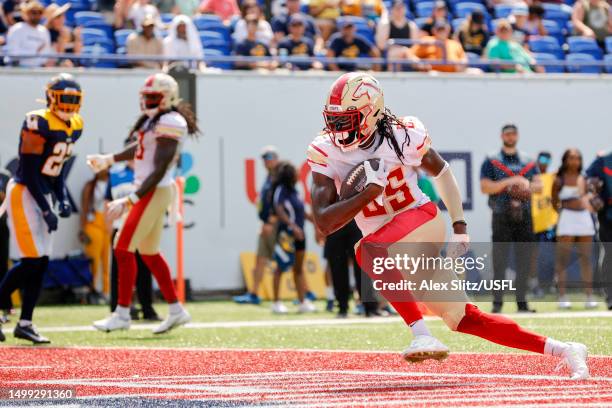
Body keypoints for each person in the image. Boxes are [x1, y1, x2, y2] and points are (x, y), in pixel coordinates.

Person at [308, 72, 589, 379]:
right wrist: (370, 193)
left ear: (371, 112)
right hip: (394, 246)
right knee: (465, 318)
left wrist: (459, 225)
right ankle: (564, 348)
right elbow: (324, 223)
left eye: (346, 120)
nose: (338, 130)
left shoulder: (402, 134)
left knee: (368, 249)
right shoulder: (326, 150)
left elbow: (442, 173)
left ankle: (421, 333)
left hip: (421, 220)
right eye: (334, 121)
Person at [88, 73, 198, 335]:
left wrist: (131, 198)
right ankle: (176, 310)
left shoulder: (171, 121)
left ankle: (123, 313)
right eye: (145, 96)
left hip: (154, 190)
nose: (147, 101)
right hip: (152, 190)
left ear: (167, 97)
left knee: (123, 248)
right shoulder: (156, 120)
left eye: (153, 97)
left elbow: (159, 168)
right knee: (148, 252)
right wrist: (109, 159)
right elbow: (140, 148)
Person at [0, 74, 83, 344]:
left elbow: (55, 170)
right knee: (33, 261)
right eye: (64, 98)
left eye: (74, 100)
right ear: (50, 97)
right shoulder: (38, 121)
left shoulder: (75, 125)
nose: (69, 105)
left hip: (43, 192)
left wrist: (61, 198)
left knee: (41, 262)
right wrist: (47, 209)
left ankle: (25, 323)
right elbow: (32, 171)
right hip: (25, 191)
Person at [480, 123, 541, 313]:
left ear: (517, 136)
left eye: (513, 134)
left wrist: (525, 186)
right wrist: (510, 182)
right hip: (501, 214)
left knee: (524, 259)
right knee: (500, 261)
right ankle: (497, 304)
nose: (511, 137)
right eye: (507, 134)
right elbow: (485, 187)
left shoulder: (529, 161)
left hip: (524, 215)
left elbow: (539, 186)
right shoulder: (491, 159)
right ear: (502, 136)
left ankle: (522, 303)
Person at [106, 140, 161, 321]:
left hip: (141, 227)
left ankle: (148, 309)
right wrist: (109, 228)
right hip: (120, 227)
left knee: (144, 269)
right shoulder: (115, 174)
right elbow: (108, 202)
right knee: (119, 271)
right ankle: (118, 309)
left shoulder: (148, 175)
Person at [233, 146, 279, 305]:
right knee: (260, 259)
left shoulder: (278, 177)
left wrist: (272, 220)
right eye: (265, 158)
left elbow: (280, 200)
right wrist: (265, 222)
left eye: (270, 157)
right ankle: (253, 293)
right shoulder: (269, 177)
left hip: (275, 226)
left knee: (285, 260)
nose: (267, 161)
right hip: (266, 224)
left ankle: (306, 292)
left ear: (276, 158)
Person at [552, 148, 597, 309]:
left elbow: (590, 198)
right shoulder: (559, 179)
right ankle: (562, 297)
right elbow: (553, 202)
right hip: (567, 219)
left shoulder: (584, 178)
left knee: (586, 258)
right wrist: (566, 209)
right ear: (565, 160)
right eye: (571, 158)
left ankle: (589, 297)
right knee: (563, 260)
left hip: (584, 219)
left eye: (577, 158)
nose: (574, 161)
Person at [270, 161, 316, 314]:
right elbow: (279, 209)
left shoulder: (295, 191)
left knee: (298, 268)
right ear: (289, 175)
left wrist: (317, 224)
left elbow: (302, 212)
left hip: (300, 235)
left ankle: (302, 302)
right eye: (296, 172)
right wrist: (292, 226)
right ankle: (276, 303)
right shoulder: (280, 190)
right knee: (281, 267)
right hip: (286, 235)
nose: (298, 175)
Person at [586, 151, 612, 310]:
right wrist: (593, 190)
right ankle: (610, 296)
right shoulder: (604, 160)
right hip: (608, 216)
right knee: (610, 255)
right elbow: (587, 179)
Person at [80, 169, 111, 299]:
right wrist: (82, 229)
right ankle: (93, 290)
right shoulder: (90, 185)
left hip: (108, 226)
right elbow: (84, 208)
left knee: (107, 262)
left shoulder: (112, 183)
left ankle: (106, 291)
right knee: (94, 261)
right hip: (93, 226)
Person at [530, 151, 558, 294]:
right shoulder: (531, 177)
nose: (544, 162)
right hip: (535, 221)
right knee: (533, 253)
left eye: (547, 160)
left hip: (551, 221)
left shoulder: (553, 177)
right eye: (542, 159)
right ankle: (534, 284)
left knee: (558, 252)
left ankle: (556, 282)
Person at [4, 0, 52, 68]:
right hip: (17, 70)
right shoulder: (17, 29)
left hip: (38, 70)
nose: (37, 15)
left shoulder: (44, 31)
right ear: (26, 13)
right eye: (33, 12)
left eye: (40, 12)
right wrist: (35, 52)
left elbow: (45, 55)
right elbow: (13, 54)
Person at [375, 0, 419, 70]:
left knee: (406, 53)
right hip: (390, 54)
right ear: (392, 9)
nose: (399, 10)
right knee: (396, 54)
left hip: (408, 56)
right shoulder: (386, 24)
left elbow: (415, 47)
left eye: (401, 8)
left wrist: (404, 52)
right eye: (397, 8)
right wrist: (401, 50)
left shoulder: (411, 26)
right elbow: (381, 46)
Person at [0, 165, 11, 323]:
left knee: (2, 265)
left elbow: (6, 198)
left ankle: (5, 306)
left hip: (1, 225)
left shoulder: (4, 176)